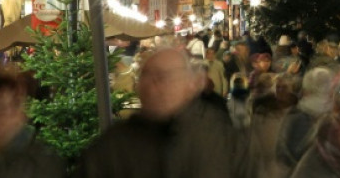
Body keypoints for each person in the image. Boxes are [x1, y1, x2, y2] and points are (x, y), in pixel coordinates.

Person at [74, 48, 238, 178]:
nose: (154, 85)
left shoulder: (214, 132)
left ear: (189, 85)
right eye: (147, 76)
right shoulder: (114, 143)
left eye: (165, 76)